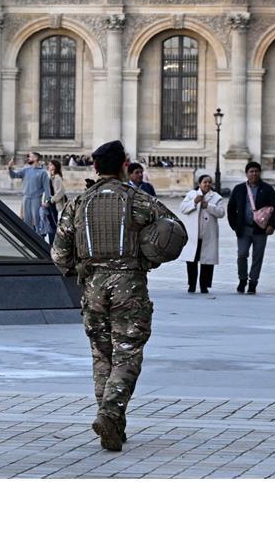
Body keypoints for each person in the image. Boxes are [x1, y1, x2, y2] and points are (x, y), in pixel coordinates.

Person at [52, 140, 181, 452]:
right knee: (127, 353)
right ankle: (110, 414)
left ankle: (112, 423)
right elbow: (175, 231)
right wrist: (149, 255)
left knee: (102, 355)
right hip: (129, 285)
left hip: (93, 286)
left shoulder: (78, 203)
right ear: (124, 164)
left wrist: (79, 269)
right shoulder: (138, 200)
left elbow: (58, 254)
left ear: (95, 168)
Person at [226, 161, 275, 294]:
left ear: (259, 173)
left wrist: (272, 225)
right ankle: (242, 278)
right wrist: (234, 225)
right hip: (243, 229)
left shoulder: (267, 189)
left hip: (261, 230)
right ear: (246, 174)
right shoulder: (239, 189)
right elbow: (231, 208)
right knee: (242, 254)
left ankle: (253, 282)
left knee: (258, 257)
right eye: (251, 171)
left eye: (256, 171)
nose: (254, 173)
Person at [179, 175, 226, 294]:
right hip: (193, 236)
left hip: (208, 235)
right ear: (199, 184)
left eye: (209, 182)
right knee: (191, 261)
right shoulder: (191, 195)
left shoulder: (216, 197)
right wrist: (194, 203)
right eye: (205, 182)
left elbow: (221, 213)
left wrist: (208, 206)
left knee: (207, 262)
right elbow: (183, 208)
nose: (207, 184)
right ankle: (192, 284)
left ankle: (204, 285)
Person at [8, 151, 50, 225]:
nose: (28, 158)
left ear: (35, 158)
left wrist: (47, 201)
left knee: (37, 220)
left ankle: (37, 235)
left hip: (36, 199)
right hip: (26, 198)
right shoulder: (25, 170)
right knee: (26, 221)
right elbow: (14, 176)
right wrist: (10, 168)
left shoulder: (43, 172)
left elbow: (47, 188)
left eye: (30, 157)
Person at [39, 159, 67, 246]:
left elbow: (61, 192)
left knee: (53, 225)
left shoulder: (57, 178)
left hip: (53, 205)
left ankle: (53, 244)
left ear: (55, 166)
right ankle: (51, 243)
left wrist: (50, 201)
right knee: (49, 224)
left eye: (51, 164)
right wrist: (44, 201)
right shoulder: (51, 177)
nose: (49, 166)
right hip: (49, 205)